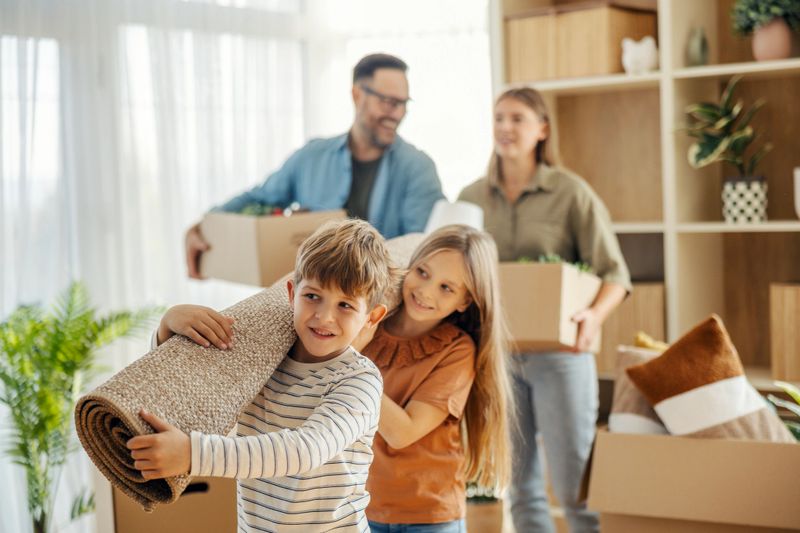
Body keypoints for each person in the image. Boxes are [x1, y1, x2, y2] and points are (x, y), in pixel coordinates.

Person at [126, 219, 400, 532]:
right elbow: (187, 386)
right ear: (291, 293)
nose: (324, 316)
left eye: (345, 305)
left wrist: (193, 454)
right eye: (312, 296)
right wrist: (166, 328)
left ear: (372, 316)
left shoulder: (359, 381)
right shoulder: (263, 357)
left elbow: (306, 449)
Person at [458, 87, 632, 533]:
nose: (505, 128)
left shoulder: (570, 193)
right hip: (496, 357)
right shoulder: (471, 197)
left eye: (517, 118)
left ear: (542, 130)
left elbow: (615, 274)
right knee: (521, 489)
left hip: (561, 357)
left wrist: (593, 317)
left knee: (576, 487)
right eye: (499, 117)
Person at [185, 52, 445, 278]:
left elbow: (418, 249)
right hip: (307, 298)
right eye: (388, 102)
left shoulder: (418, 168)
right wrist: (207, 225)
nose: (397, 114)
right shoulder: (311, 157)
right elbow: (260, 198)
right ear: (357, 95)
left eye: (403, 104)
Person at [355, 224, 514, 532]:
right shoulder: (369, 325)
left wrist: (352, 360)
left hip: (429, 516)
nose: (426, 292)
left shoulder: (457, 350)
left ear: (464, 302)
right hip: (360, 505)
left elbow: (402, 433)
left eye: (446, 288)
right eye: (423, 273)